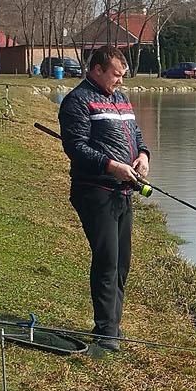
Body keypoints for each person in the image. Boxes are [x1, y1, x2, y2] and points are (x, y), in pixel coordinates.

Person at [58, 46, 149, 353]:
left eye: (123, 75)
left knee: (122, 262)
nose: (120, 81)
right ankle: (105, 331)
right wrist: (113, 166)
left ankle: (113, 324)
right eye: (116, 74)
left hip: (124, 192)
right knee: (107, 259)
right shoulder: (77, 101)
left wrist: (143, 156)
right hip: (94, 191)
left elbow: (136, 134)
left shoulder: (120, 98)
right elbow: (76, 148)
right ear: (96, 69)